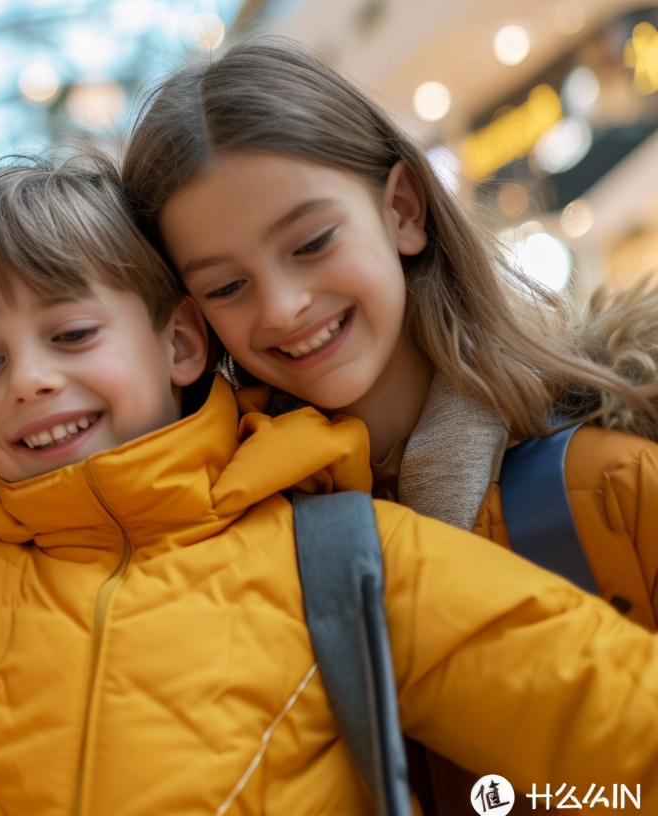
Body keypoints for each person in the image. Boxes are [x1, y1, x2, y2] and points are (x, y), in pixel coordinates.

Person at [0, 153, 658, 816]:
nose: (27, 380)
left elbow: (603, 713)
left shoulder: (339, 551)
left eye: (70, 336)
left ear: (180, 343)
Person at [119, 35, 658, 814]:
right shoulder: (230, 555)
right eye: (228, 285)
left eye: (311, 242)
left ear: (402, 210)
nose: (282, 306)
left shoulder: (606, 480)